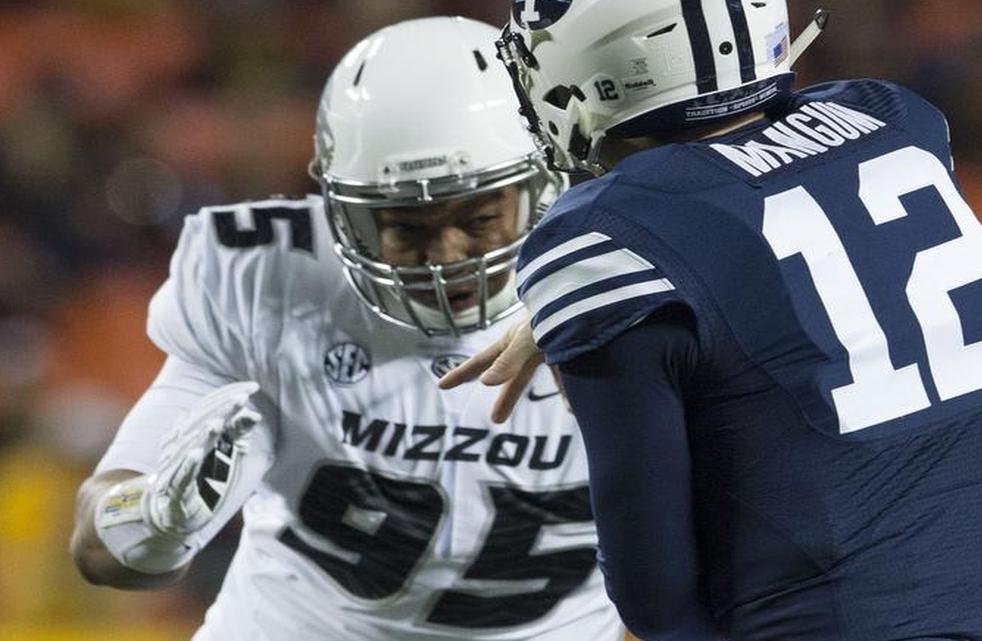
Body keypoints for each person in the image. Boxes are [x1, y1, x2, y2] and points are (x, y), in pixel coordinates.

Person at [441, 2, 982, 640]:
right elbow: (766, 235)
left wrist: (579, 301)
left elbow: (654, 594)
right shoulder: (891, 117)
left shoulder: (601, 238)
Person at [68, 16, 625, 641]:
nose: (445, 254)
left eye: (479, 217)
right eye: (405, 225)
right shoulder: (269, 282)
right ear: (346, 216)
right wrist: (151, 520)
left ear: (544, 183)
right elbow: (99, 549)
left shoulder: (627, 287)